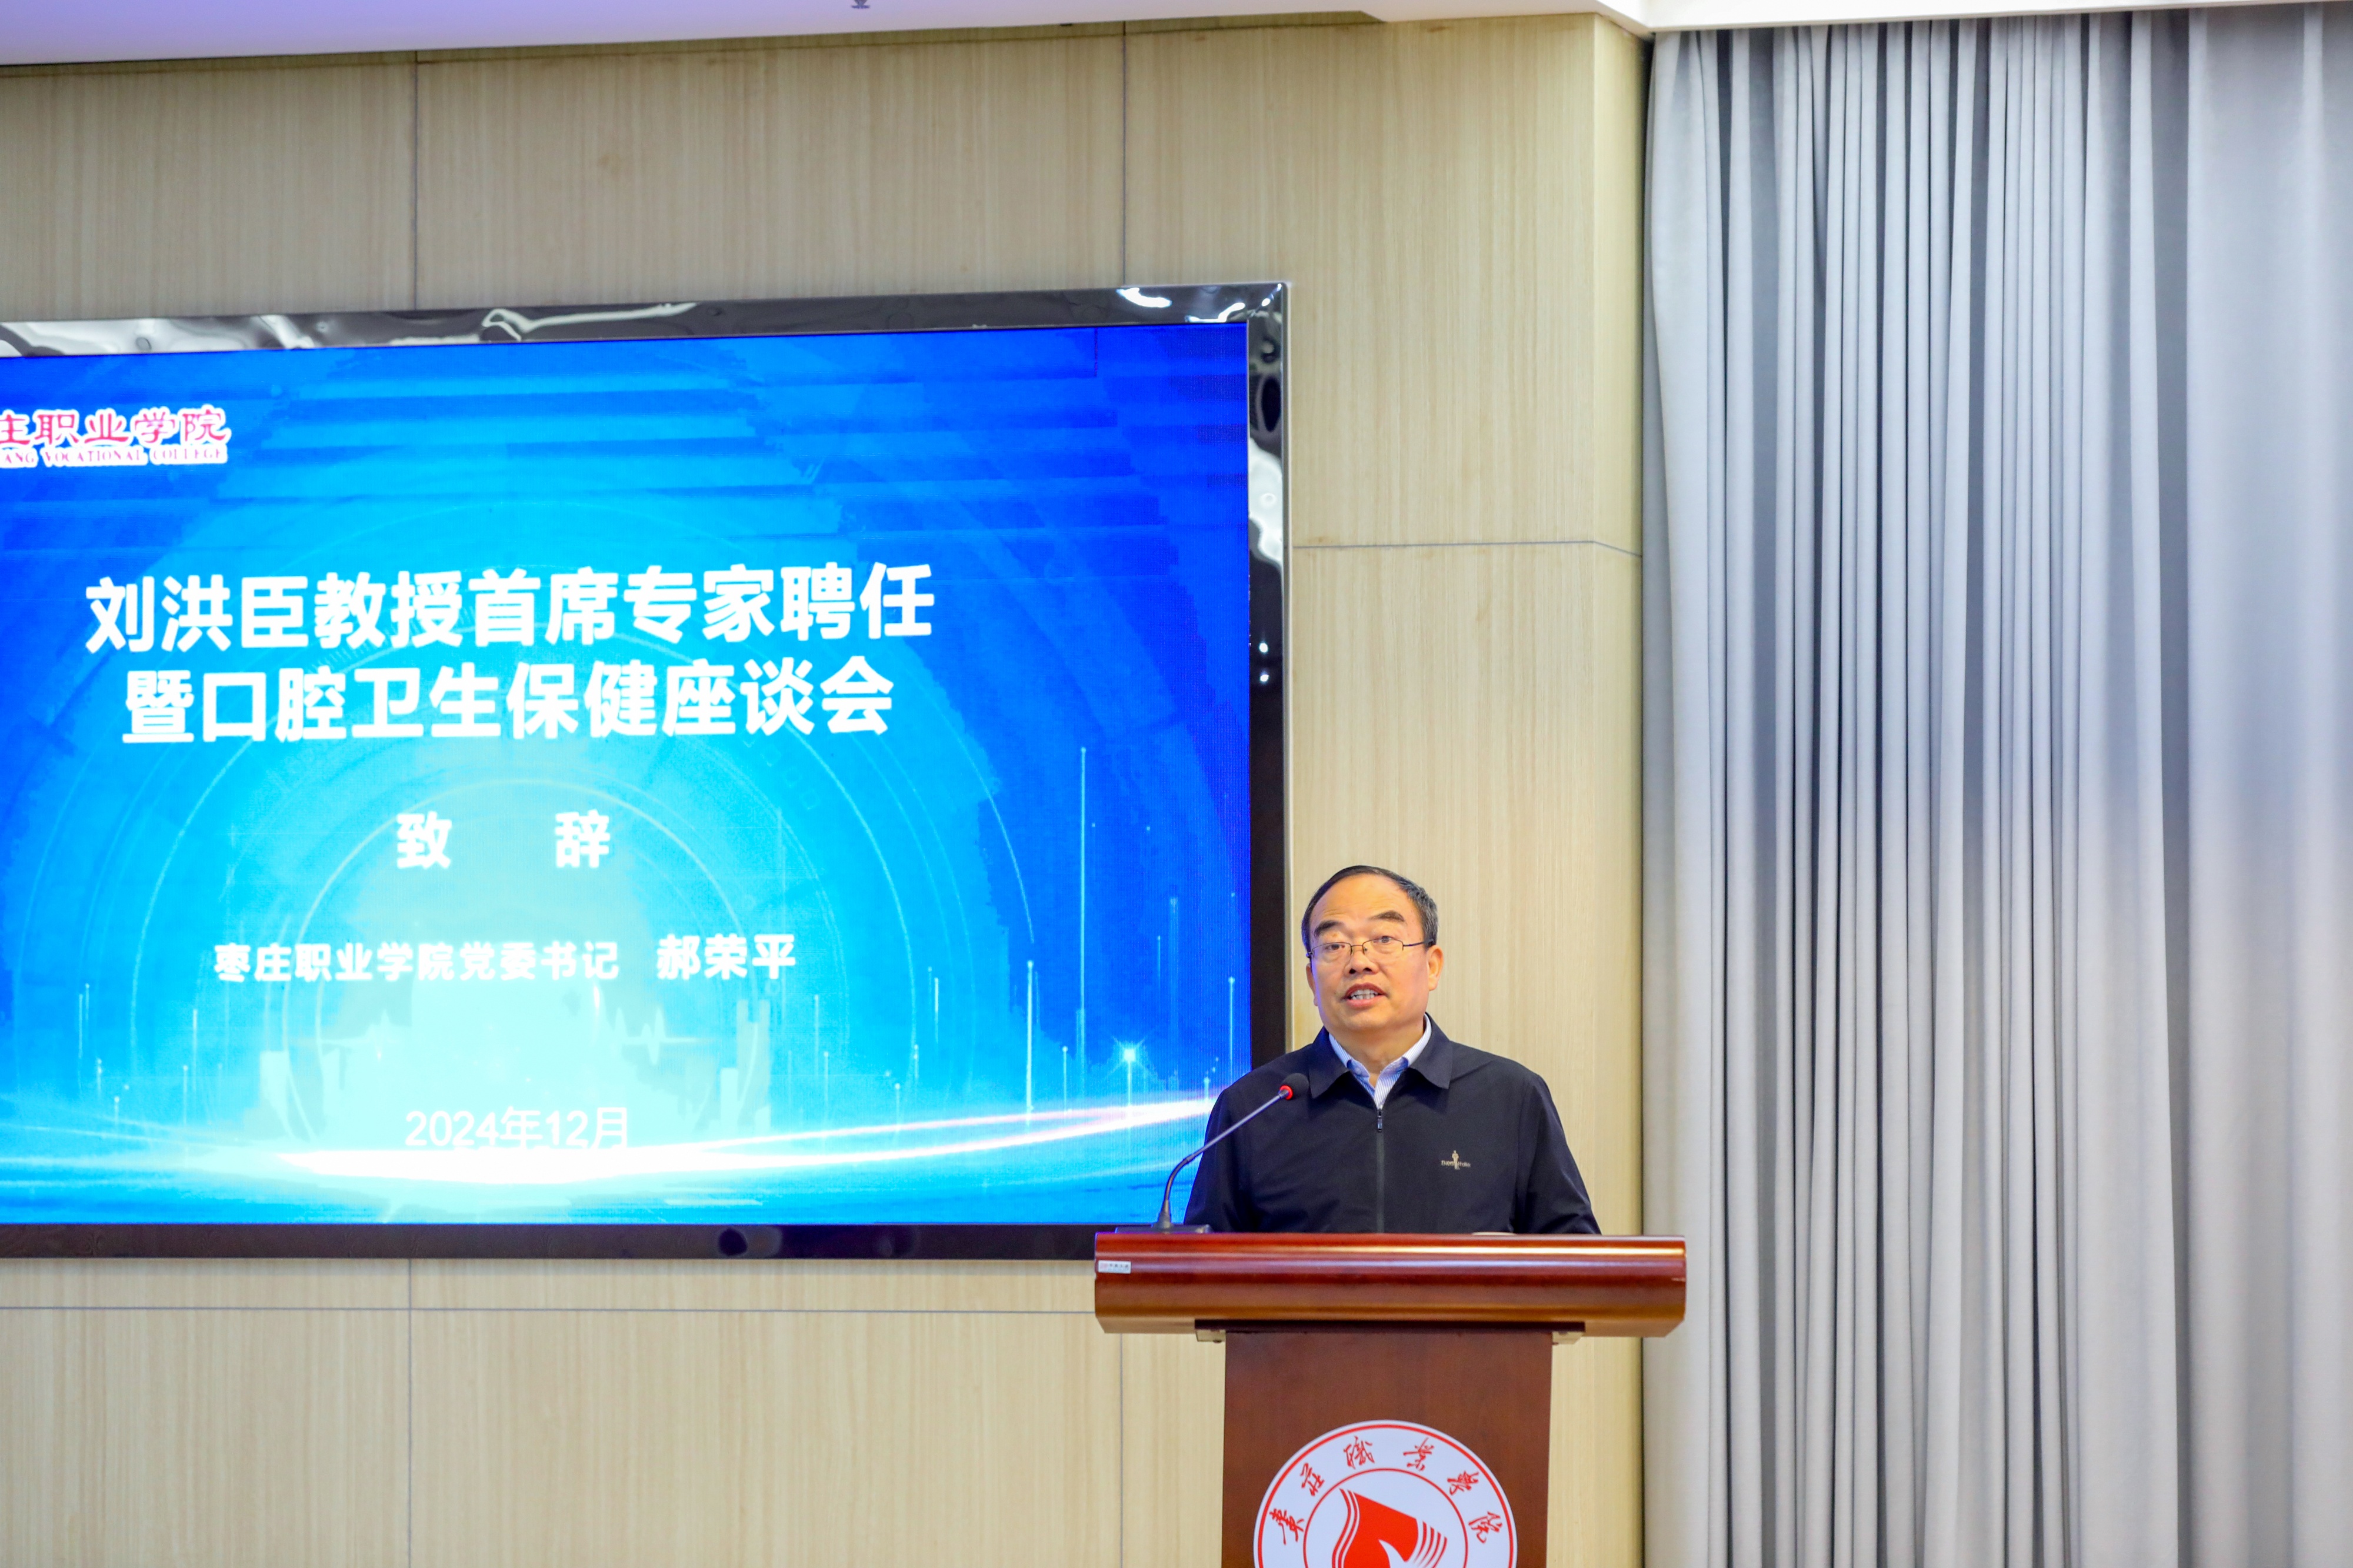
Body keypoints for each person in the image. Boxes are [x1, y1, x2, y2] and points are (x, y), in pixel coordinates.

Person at [1183, 864, 1599, 1234]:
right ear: (1312, 980)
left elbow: (1577, 1261)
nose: (1359, 962)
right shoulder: (1253, 1107)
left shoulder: (1511, 1097)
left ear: (1432, 966)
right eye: (1334, 945)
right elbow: (1202, 1274)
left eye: (1384, 939)